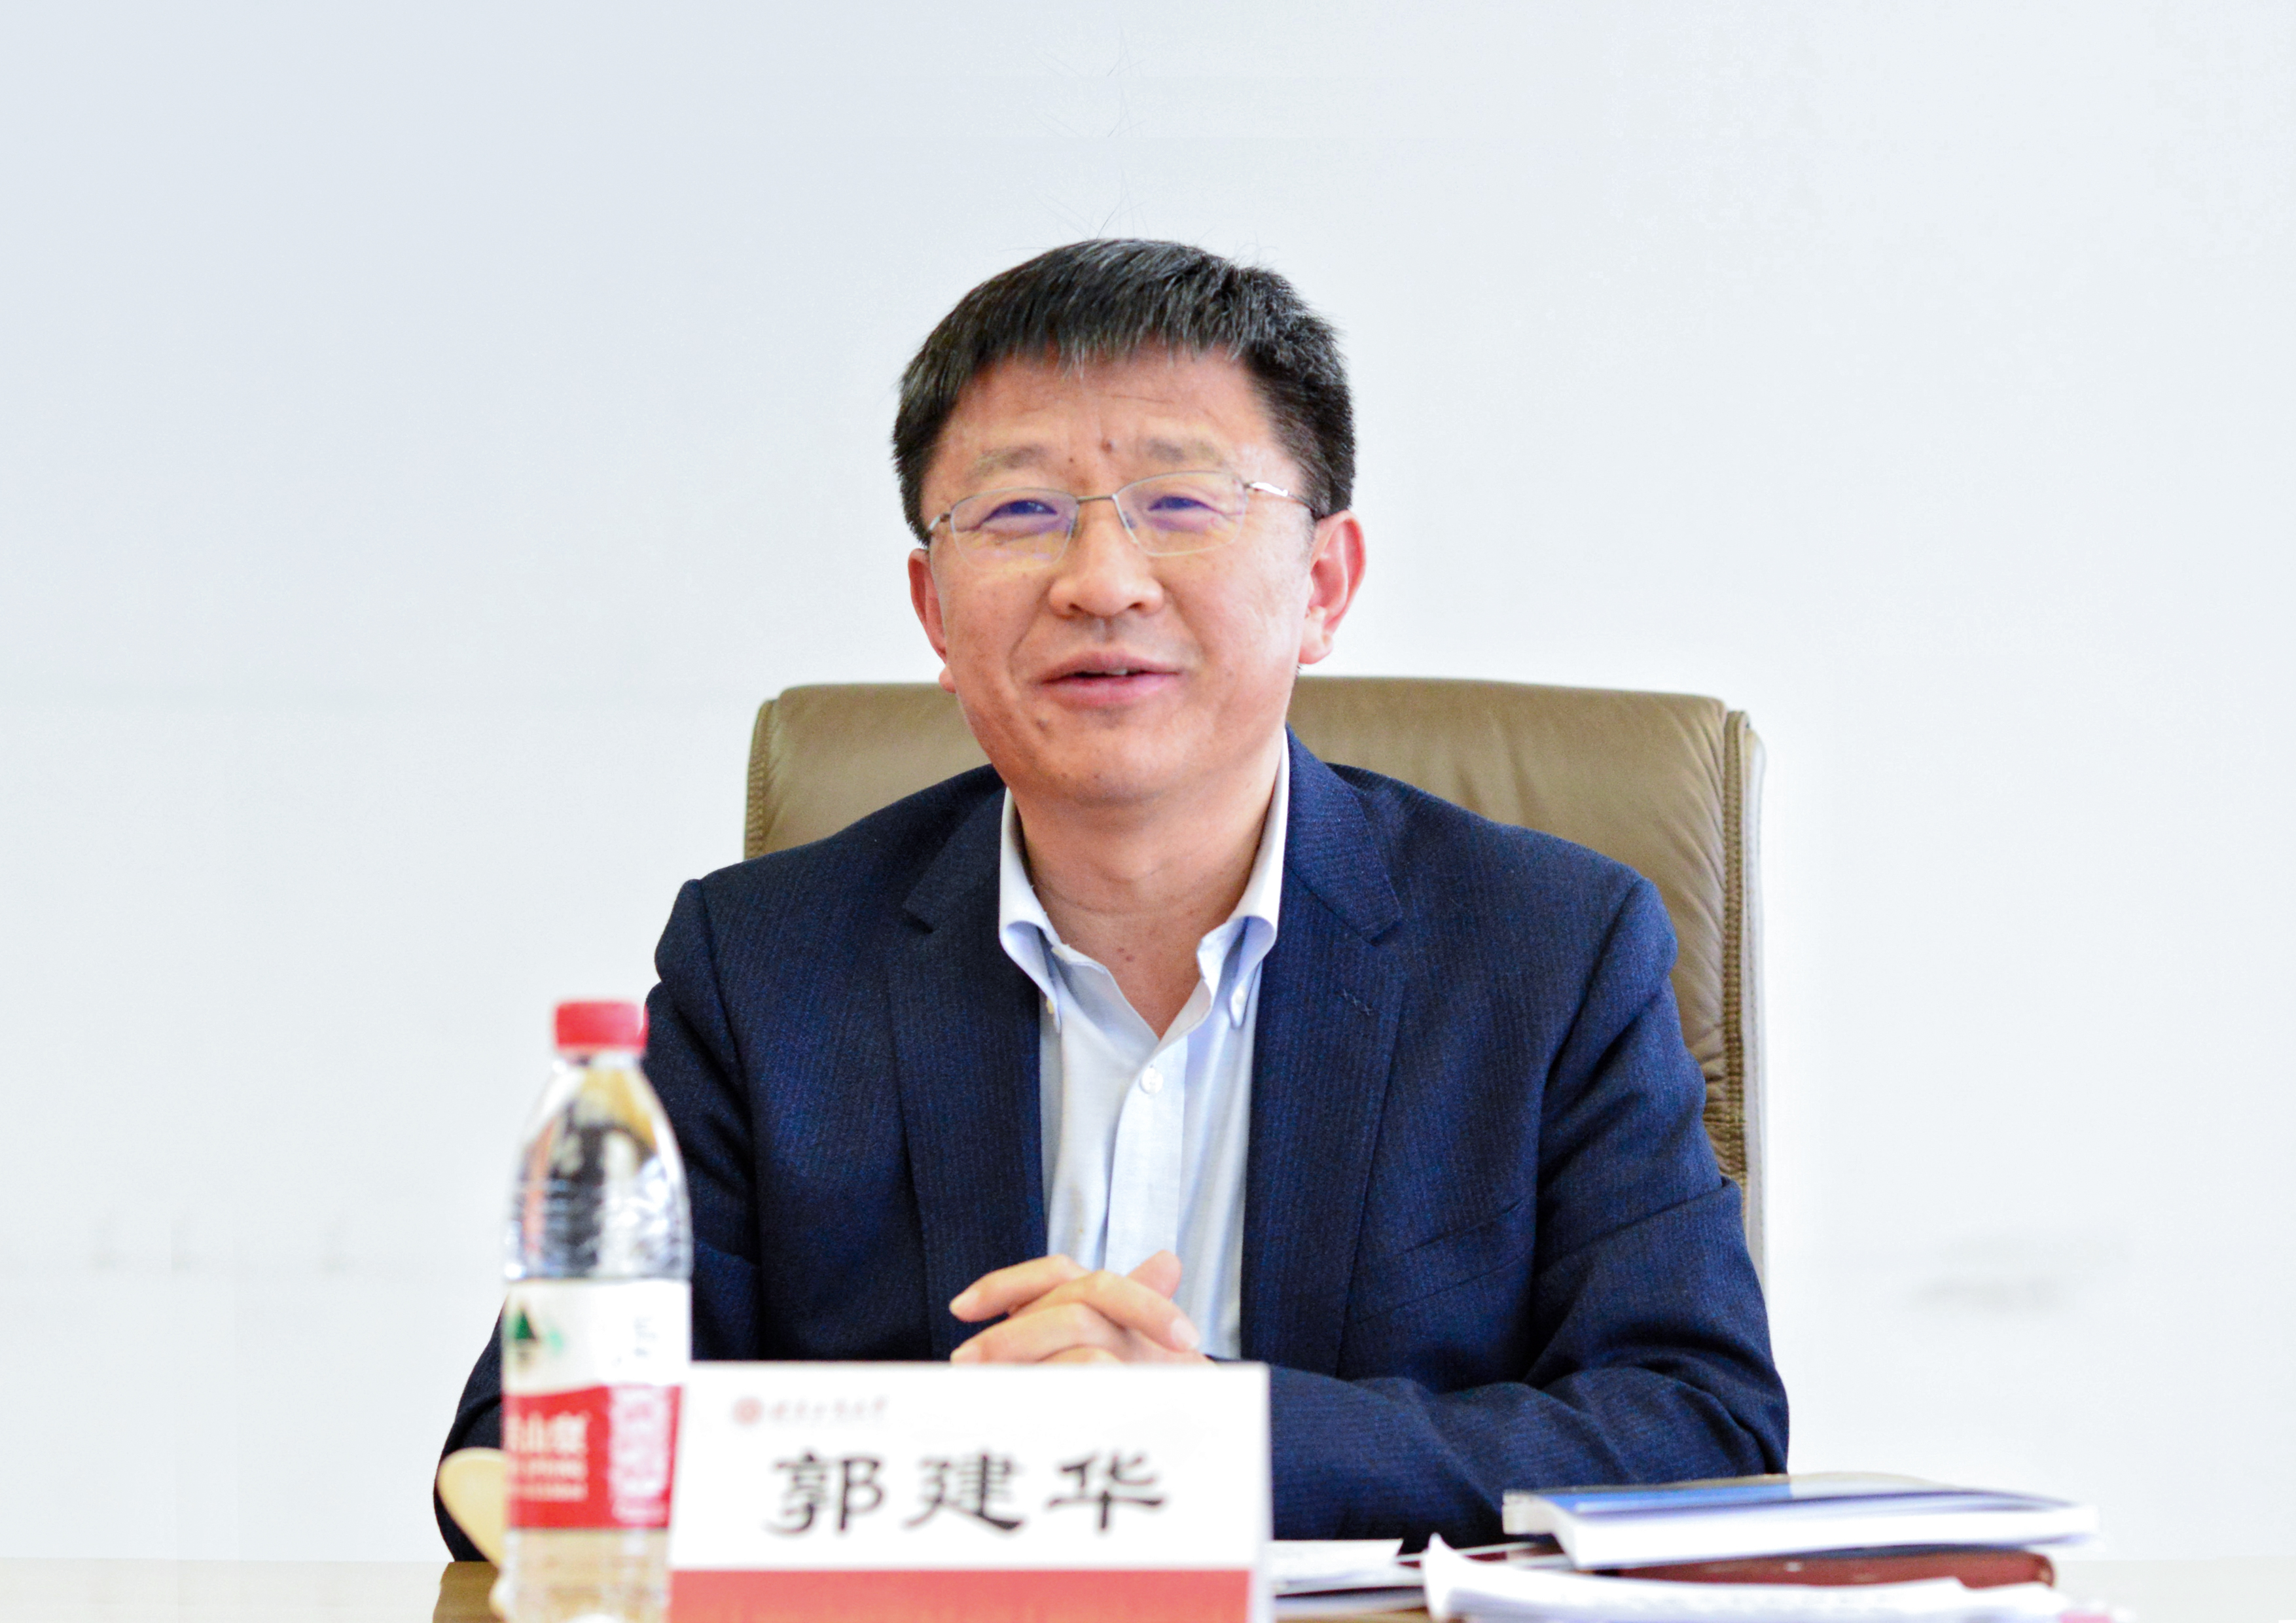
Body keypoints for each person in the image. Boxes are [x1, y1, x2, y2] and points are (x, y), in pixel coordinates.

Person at [441, 239, 1786, 1552]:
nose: (1099, 582)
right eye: (1018, 513)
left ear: (1323, 585)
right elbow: (524, 1446)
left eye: (1182, 503)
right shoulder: (762, 967)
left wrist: (1207, 1440)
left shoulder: (1548, 950)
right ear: (933, 610)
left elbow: (1702, 1428)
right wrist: (961, 1461)